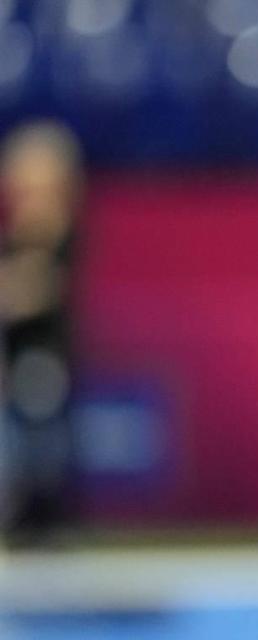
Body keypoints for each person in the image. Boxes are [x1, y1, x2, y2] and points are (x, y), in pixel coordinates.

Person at [0, 120, 81, 542]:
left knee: (42, 437)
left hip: (44, 354)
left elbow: (37, 289)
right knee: (17, 440)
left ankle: (45, 517)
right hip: (17, 354)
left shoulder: (53, 225)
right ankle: (25, 517)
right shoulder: (18, 231)